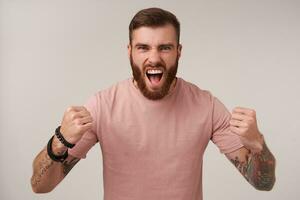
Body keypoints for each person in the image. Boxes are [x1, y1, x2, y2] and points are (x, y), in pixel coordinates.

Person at [31, 7, 276, 200]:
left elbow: (262, 183)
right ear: (129, 52)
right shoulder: (102, 106)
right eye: (143, 47)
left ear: (179, 51)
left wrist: (257, 144)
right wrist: (61, 140)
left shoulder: (206, 106)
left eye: (165, 48)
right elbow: (40, 186)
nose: (154, 58)